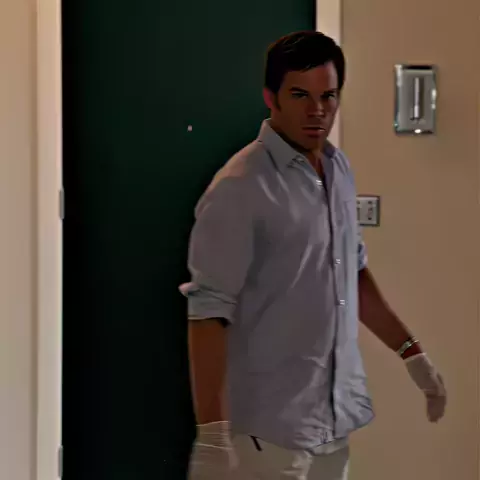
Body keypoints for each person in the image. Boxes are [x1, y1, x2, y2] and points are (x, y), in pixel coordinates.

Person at [180, 31, 447, 480]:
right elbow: (208, 311)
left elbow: (352, 273)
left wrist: (412, 354)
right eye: (300, 95)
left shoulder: (338, 171)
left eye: (328, 96)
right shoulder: (241, 186)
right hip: (266, 434)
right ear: (271, 97)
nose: (317, 110)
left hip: (331, 425)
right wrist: (211, 433)